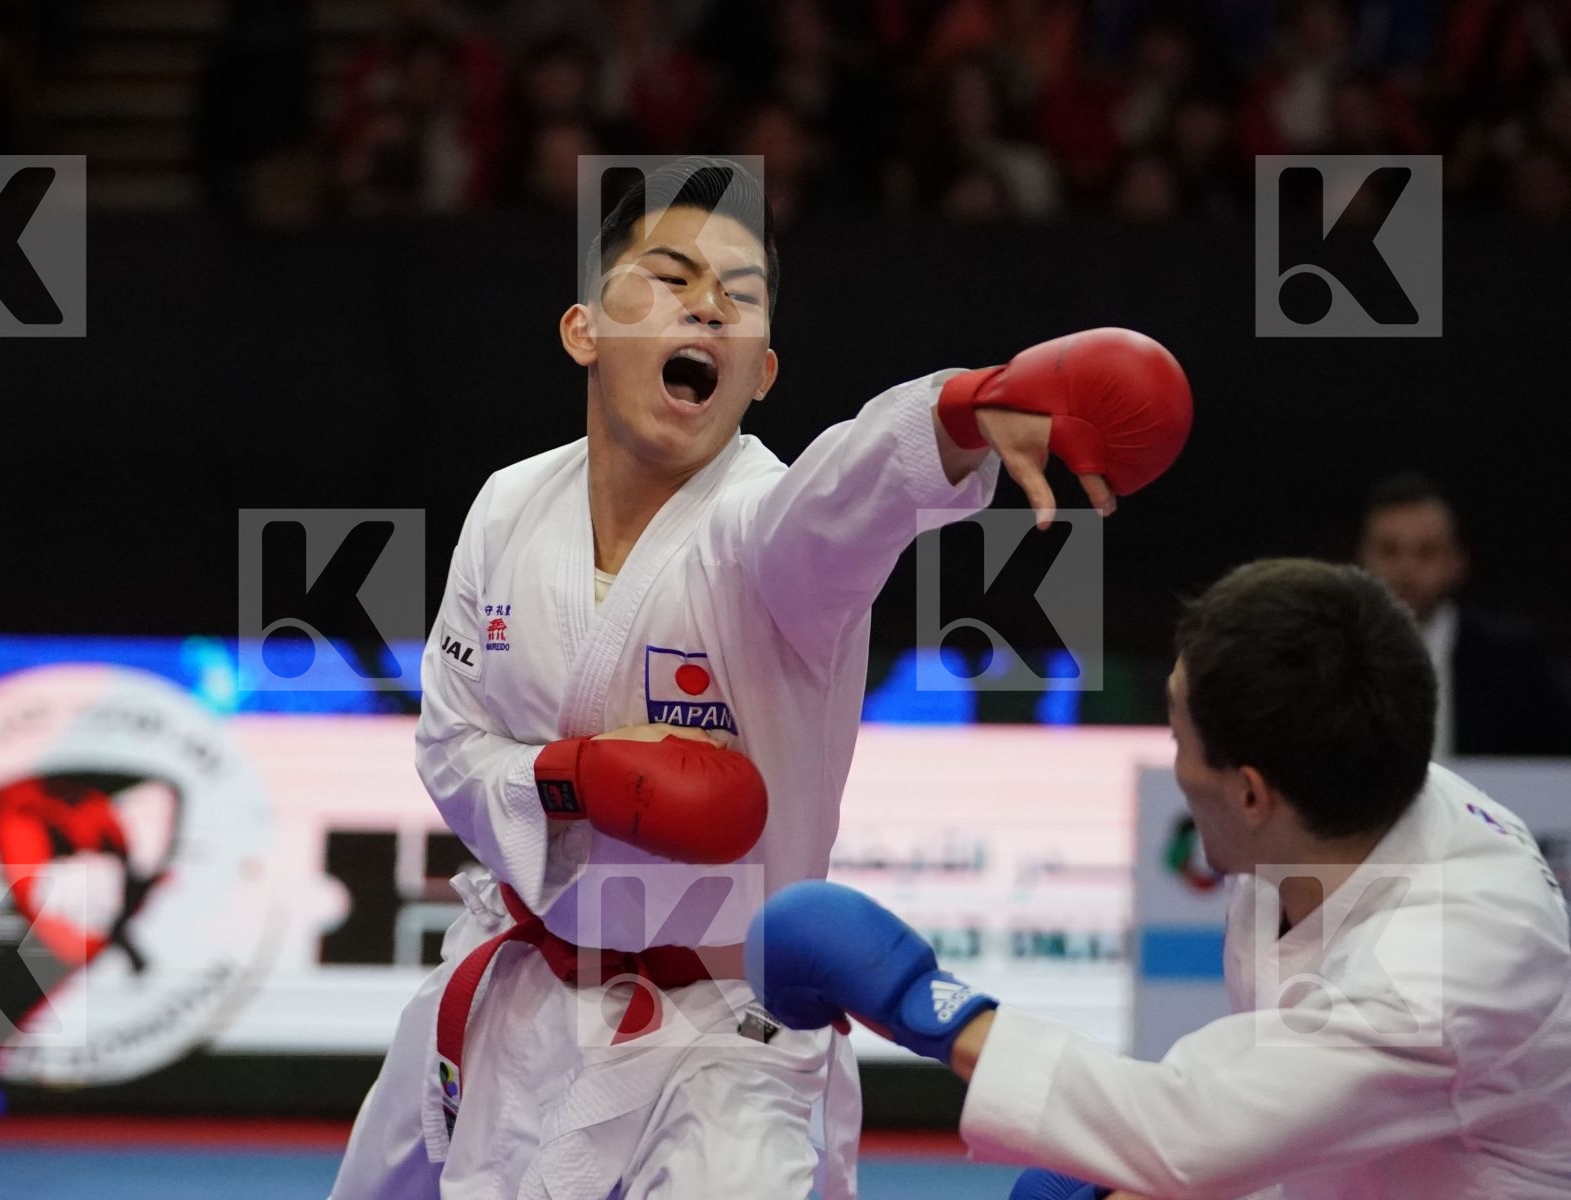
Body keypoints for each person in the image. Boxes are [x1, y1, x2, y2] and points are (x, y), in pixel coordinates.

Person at [327, 156, 1192, 1199]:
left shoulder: (768, 537)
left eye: (741, 297)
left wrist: (966, 409)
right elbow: (450, 745)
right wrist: (575, 776)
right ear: (584, 330)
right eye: (670, 275)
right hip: (511, 989)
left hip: (722, 1051)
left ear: (761, 371)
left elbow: (853, 485)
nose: (708, 304)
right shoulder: (508, 506)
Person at [750, 558, 1571, 1200]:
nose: (1169, 765)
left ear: (1251, 791)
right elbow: (1261, 1112)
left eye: (1177, 735)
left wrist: (919, 1003)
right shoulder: (1337, 797)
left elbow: (1191, 1127)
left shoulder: (1440, 969)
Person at [1355, 473, 1571, 756]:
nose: (1405, 569)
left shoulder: (1512, 660)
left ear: (1455, 563)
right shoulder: (1326, 655)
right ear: (1361, 557)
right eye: (1389, 550)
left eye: (1426, 552)